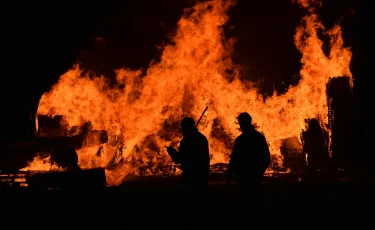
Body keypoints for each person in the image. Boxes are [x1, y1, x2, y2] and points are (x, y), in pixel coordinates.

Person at [226, 112, 270, 227]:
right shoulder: (257, 137)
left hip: (248, 175)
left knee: (248, 200)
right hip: (249, 175)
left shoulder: (243, 139)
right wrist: (259, 172)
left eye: (241, 122)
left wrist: (230, 173)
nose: (240, 125)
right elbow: (265, 158)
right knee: (251, 199)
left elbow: (234, 159)